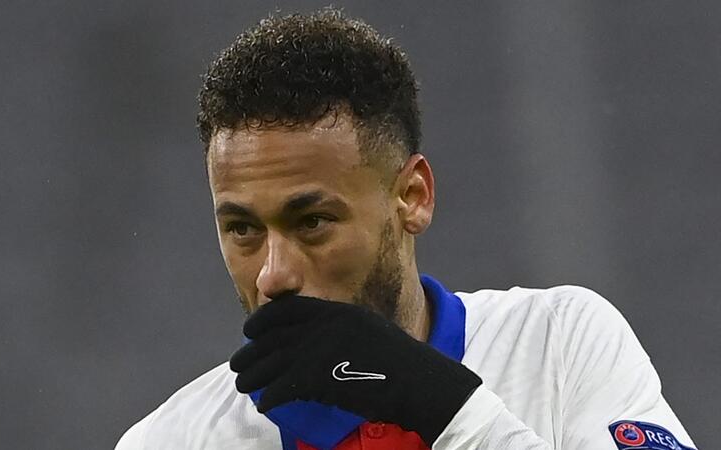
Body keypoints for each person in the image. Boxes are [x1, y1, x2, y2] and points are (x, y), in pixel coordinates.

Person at [115, 9, 697, 450]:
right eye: (243, 229)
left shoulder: (559, 343)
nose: (274, 275)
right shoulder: (168, 441)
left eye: (312, 222)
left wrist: (441, 405)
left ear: (413, 197)